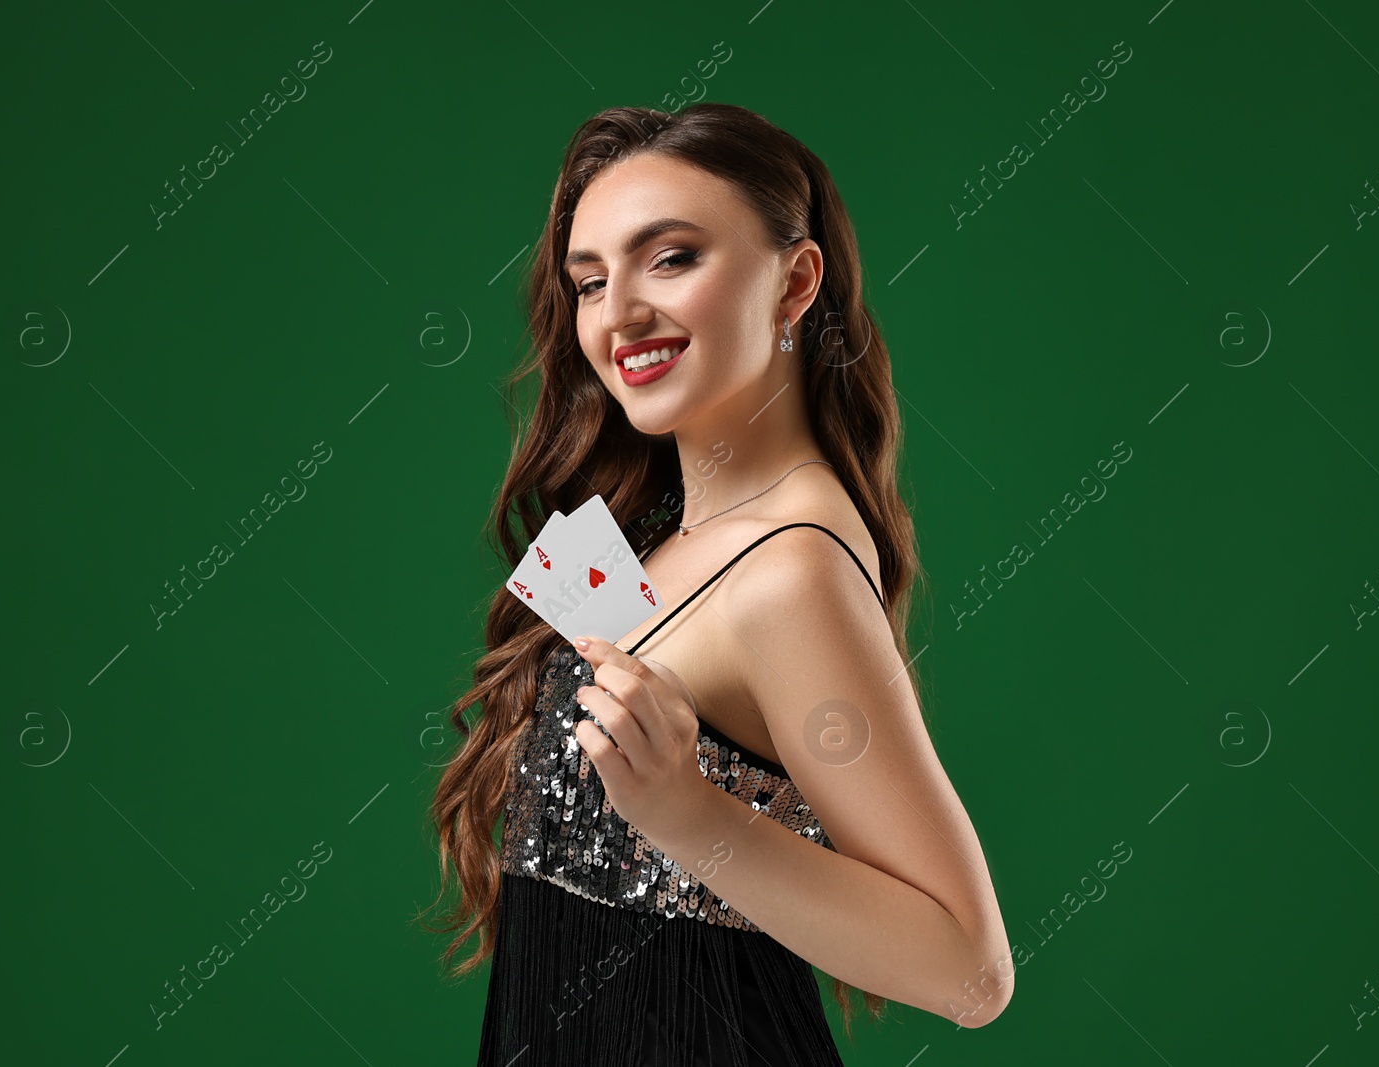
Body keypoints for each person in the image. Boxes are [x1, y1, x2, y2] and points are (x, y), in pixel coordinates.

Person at [425, 102, 1013, 1066]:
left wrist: (690, 814)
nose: (618, 313)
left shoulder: (791, 569)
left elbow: (971, 969)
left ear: (796, 281)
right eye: (589, 280)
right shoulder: (657, 542)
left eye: (671, 258)